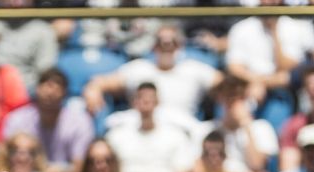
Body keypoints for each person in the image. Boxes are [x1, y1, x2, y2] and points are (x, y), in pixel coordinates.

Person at [82, 26, 219, 122]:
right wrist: (93, 90)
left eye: (172, 42)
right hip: (140, 130)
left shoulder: (194, 69)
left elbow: (225, 85)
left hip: (181, 130)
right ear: (153, 46)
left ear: (180, 46)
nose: (166, 46)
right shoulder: (138, 68)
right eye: (161, 42)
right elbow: (100, 82)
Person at [2, 66, 93, 172]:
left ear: (65, 93)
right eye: (47, 85)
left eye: (56, 87)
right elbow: (3, 158)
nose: (50, 92)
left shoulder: (80, 122)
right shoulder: (17, 119)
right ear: (37, 89)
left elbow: (78, 167)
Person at [104, 82, 194, 172]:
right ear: (134, 102)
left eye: (150, 98)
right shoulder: (116, 136)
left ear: (157, 102)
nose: (146, 101)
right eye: (141, 97)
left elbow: (184, 170)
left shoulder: (176, 136)